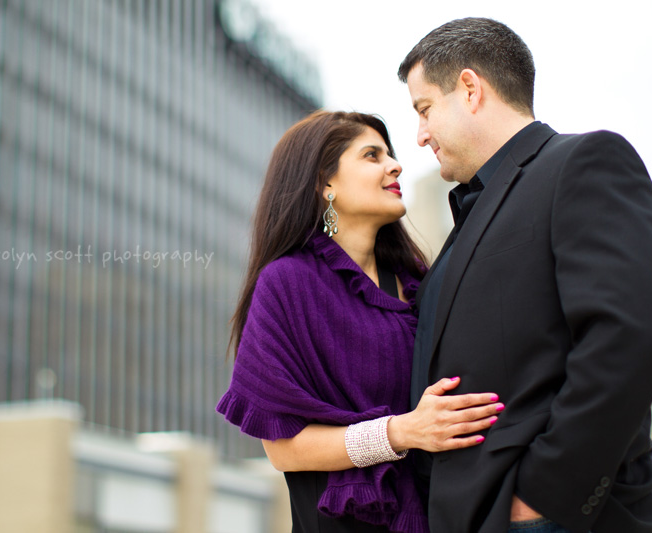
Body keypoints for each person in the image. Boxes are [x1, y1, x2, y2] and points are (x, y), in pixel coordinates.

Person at [398, 17, 652, 533]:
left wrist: (542, 498)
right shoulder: (470, 216)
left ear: (471, 89)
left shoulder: (583, 162)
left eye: (424, 109)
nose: (420, 135)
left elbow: (629, 335)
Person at [216, 110, 504, 532]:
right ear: (325, 183)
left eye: (390, 153)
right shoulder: (287, 282)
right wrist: (401, 432)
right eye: (372, 155)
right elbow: (282, 450)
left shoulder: (418, 282)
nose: (395, 165)